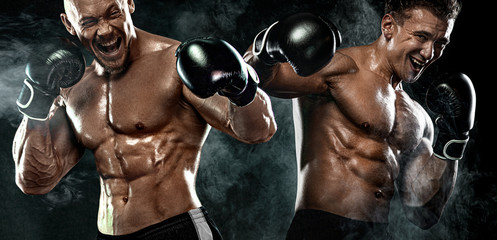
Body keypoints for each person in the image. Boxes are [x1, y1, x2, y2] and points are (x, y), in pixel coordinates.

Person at [12, 0, 277, 239]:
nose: (104, 30)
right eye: (89, 22)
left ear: (129, 3)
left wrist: (241, 88)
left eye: (113, 13)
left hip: (176, 230)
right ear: (69, 24)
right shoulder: (72, 87)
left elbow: (259, 131)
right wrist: (37, 104)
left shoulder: (174, 63)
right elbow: (35, 181)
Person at [244, 0, 475, 239]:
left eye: (440, 43)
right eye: (421, 36)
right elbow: (257, 78)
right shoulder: (338, 69)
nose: (429, 53)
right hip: (320, 229)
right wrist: (267, 43)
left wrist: (454, 139)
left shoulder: (419, 118)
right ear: (388, 26)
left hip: (376, 234)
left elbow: (424, 214)